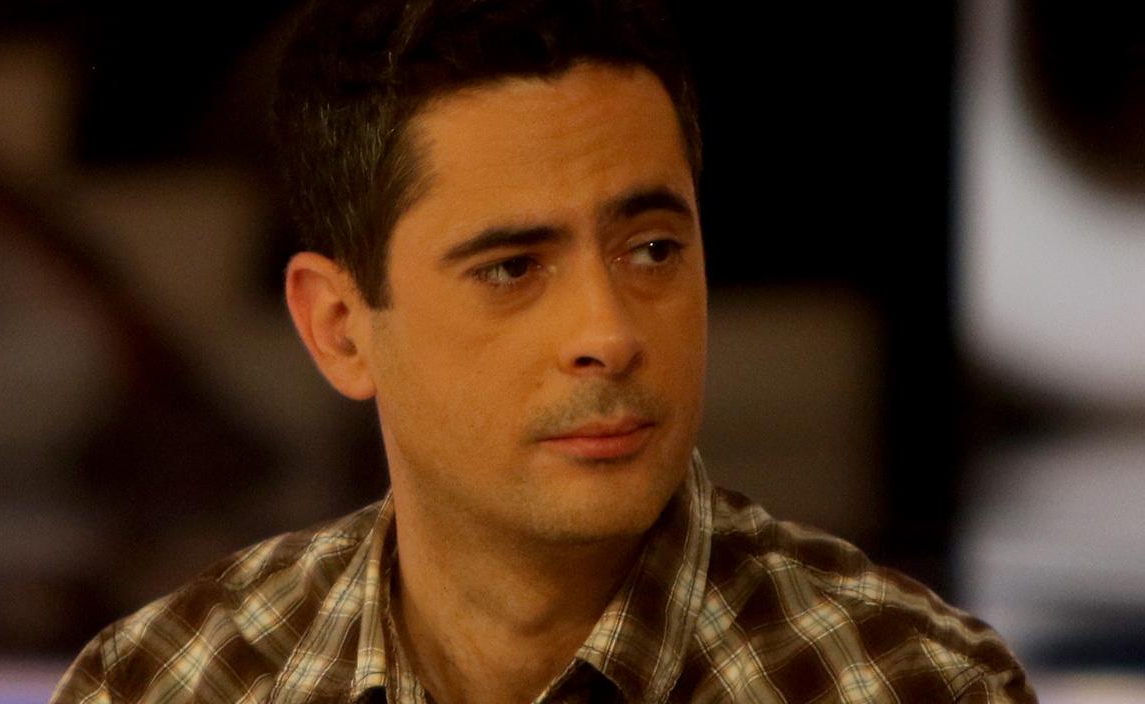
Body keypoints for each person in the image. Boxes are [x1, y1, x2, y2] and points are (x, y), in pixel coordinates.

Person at [50, 1, 1036, 702]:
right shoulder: (163, 684)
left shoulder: (912, 685)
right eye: (513, 268)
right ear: (339, 327)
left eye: (653, 249)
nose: (609, 333)